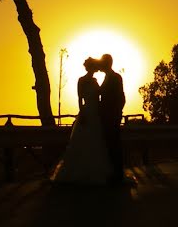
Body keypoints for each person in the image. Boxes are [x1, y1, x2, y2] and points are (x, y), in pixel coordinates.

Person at [51, 57, 112, 185]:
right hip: (87, 111)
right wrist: (82, 113)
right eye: (93, 67)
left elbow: (100, 96)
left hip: (96, 112)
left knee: (95, 141)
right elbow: (80, 98)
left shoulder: (96, 82)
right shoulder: (81, 80)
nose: (95, 70)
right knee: (83, 140)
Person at [98, 53, 126, 184]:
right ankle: (112, 171)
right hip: (105, 116)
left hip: (113, 116)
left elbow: (121, 97)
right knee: (109, 144)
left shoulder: (115, 77)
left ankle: (118, 173)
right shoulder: (106, 77)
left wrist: (117, 113)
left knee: (114, 143)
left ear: (107, 63)